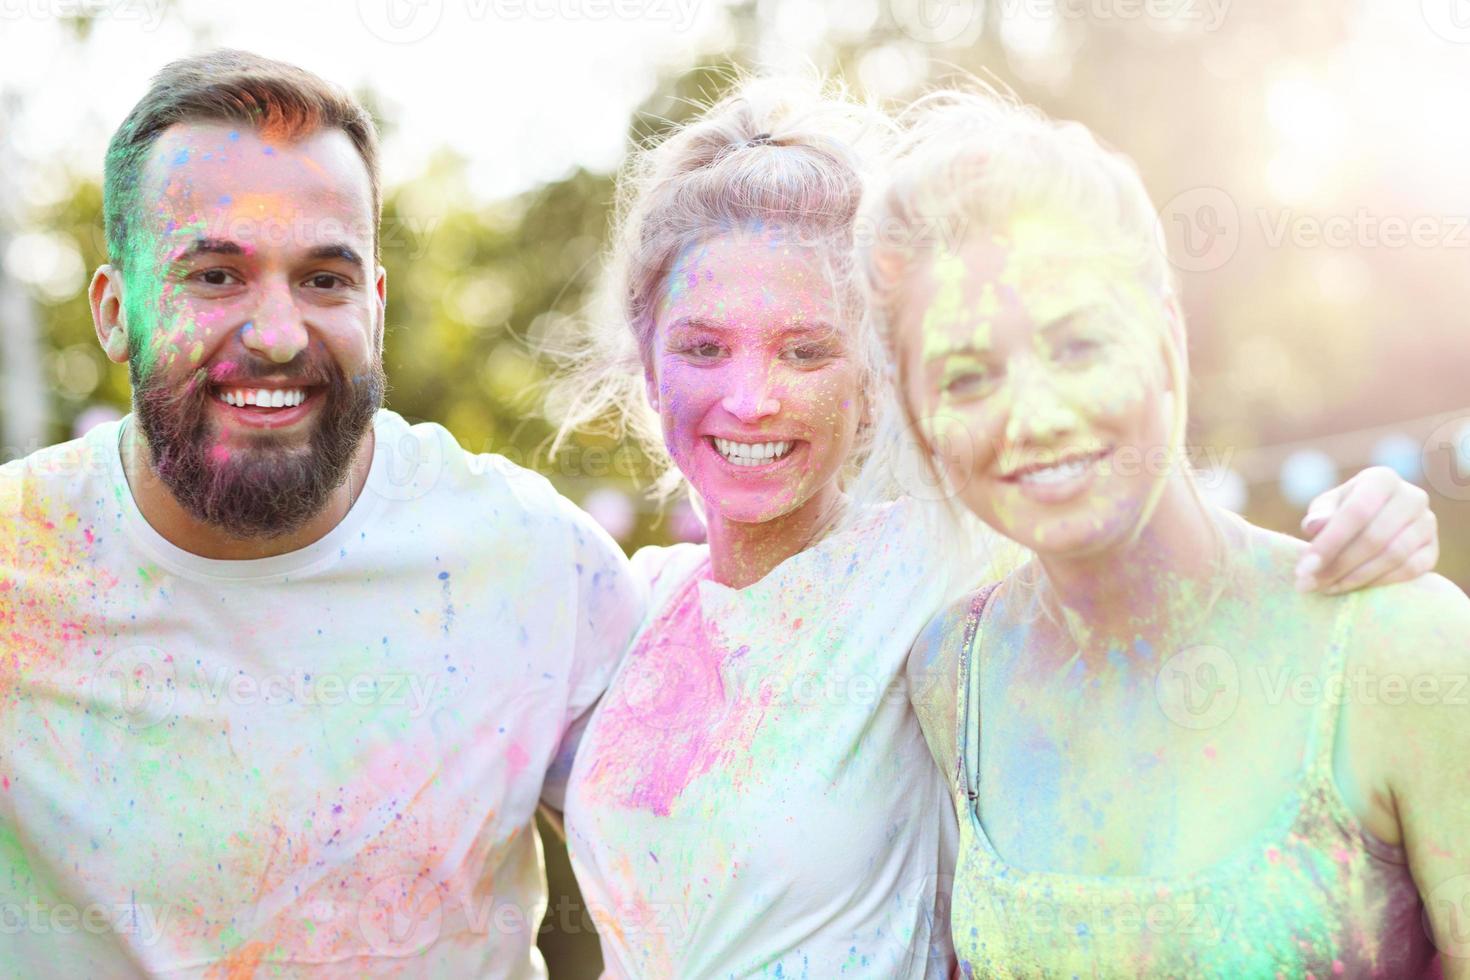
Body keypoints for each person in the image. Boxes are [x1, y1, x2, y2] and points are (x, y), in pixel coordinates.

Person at [548, 76, 1442, 978]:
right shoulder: (624, 607)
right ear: (649, 366)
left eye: (807, 349)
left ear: (873, 390)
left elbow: (1125, 522)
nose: (750, 397)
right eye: (703, 347)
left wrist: (1372, 509)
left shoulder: (931, 569)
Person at [0, 50, 641, 978]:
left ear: (374, 305)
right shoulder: (20, 566)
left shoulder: (529, 563)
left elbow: (714, 883)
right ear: (113, 310)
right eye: (214, 276)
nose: (276, 334)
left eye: (324, 279)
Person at [862, 88, 1468, 977]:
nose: (1034, 418)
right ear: (918, 421)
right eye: (965, 377)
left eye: (1077, 346)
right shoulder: (950, 674)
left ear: (1167, 333)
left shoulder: (1398, 648)